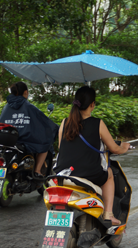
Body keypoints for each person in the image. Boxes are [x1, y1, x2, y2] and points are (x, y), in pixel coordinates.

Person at [54, 86, 130, 225]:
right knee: (109, 174)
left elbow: (61, 147)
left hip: (62, 173)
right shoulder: (98, 124)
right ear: (92, 104)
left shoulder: (65, 122)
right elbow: (114, 148)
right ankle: (108, 214)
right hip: (87, 174)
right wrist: (125, 147)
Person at [0, 82, 58, 178]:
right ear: (26, 92)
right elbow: (43, 121)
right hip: (24, 140)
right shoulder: (28, 107)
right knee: (45, 145)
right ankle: (37, 171)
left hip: (7, 140)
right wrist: (55, 128)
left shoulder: (6, 107)